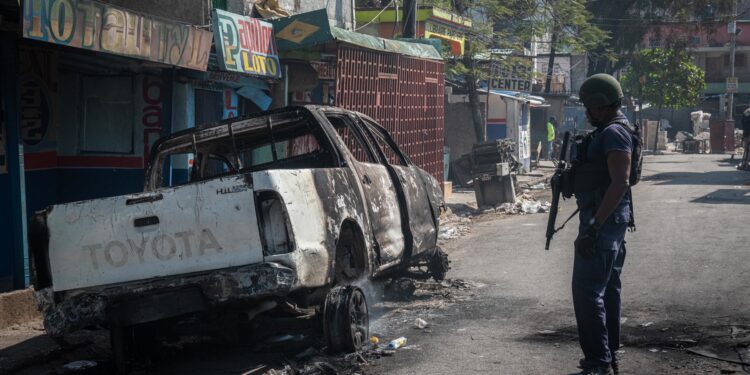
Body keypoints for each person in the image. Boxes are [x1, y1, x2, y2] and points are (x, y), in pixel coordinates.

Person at [571, 73, 634, 375]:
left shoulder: (613, 133)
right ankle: (606, 355)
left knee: (587, 290)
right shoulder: (613, 131)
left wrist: (593, 227)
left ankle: (599, 361)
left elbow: (619, 182)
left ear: (600, 104)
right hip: (608, 221)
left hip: (604, 222)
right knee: (606, 289)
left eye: (589, 107)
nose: (586, 112)